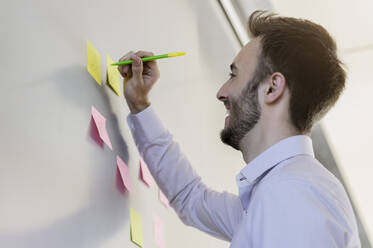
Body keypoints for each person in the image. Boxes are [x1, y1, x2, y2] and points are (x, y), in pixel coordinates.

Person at [118, 10, 361, 248]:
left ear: (272, 88)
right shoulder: (281, 191)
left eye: (234, 75)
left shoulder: (290, 194)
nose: (221, 92)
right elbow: (190, 198)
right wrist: (139, 105)